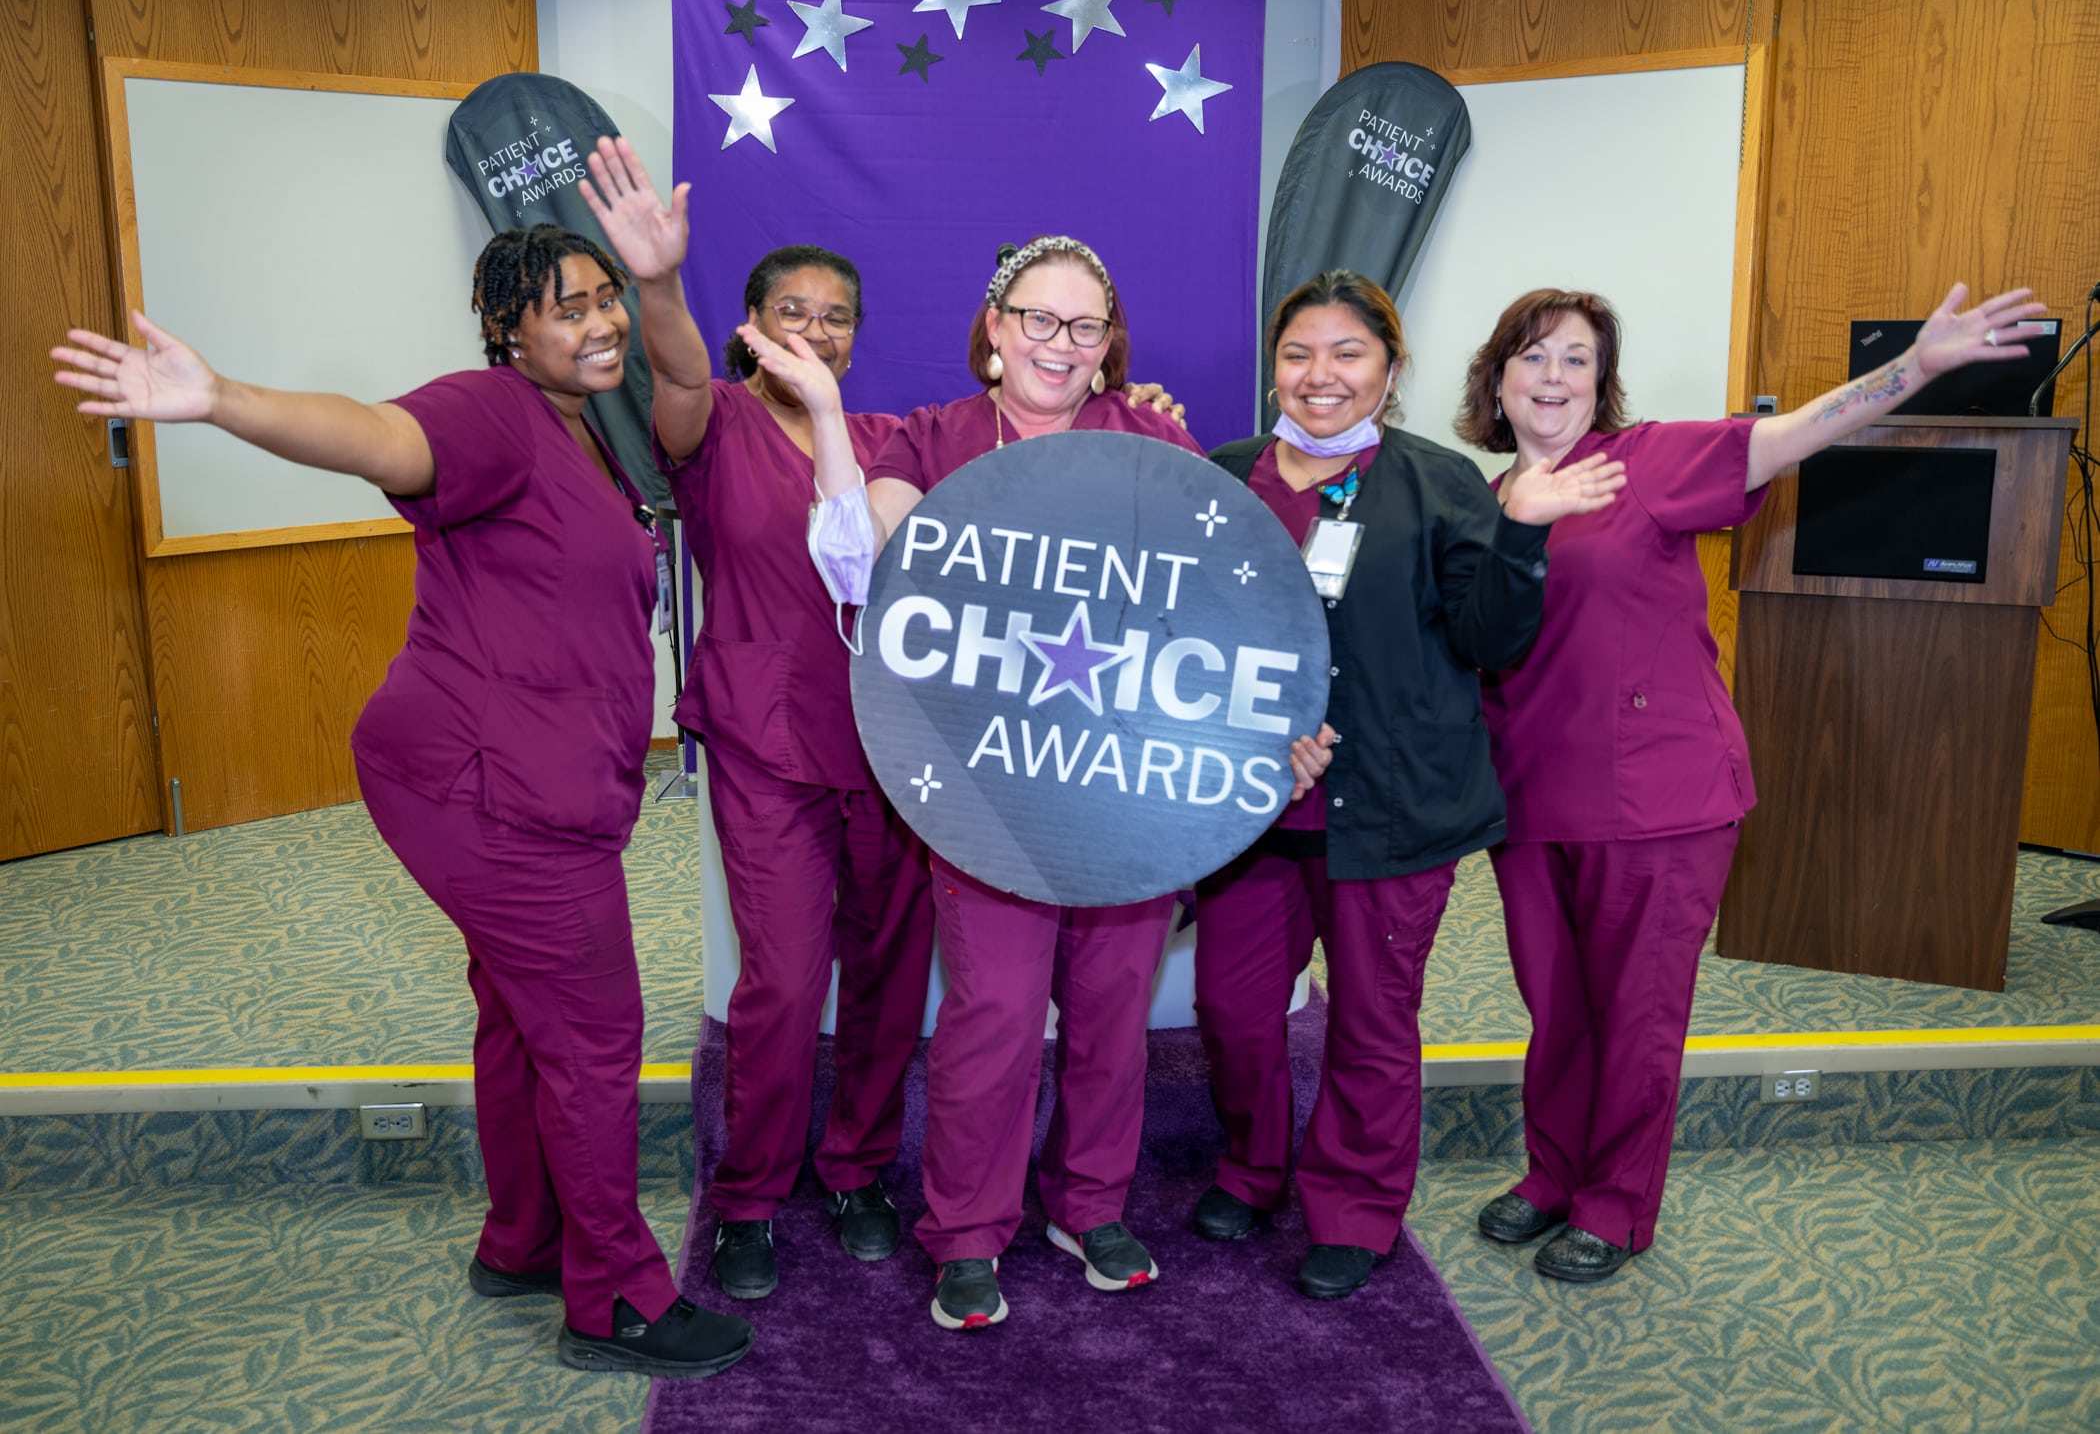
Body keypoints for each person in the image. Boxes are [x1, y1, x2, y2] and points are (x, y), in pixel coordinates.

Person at [50, 215, 756, 1380]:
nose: (598, 321)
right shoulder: (488, 413)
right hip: (490, 789)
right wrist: (223, 397)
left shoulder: (588, 430)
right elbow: (378, 436)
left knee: (520, 1012)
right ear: (507, 332)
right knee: (590, 1034)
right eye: (564, 306)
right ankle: (617, 1302)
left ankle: (523, 1240)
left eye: (603, 297)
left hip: (513, 773)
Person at [755, 233, 1320, 1332]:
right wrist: (842, 441)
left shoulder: (1152, 440)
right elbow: (865, 555)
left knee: (1111, 1012)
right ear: (996, 330)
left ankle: (1090, 1205)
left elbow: (1218, 590)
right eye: (1039, 320)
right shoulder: (934, 436)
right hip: (989, 786)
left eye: (1085, 327)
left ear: (1111, 348)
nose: (1060, 345)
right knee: (997, 1014)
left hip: (1128, 782)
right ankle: (967, 1230)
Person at [1458, 282, 2049, 1283]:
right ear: (1496, 379)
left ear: (1601, 386)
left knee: (1637, 1014)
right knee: (1557, 1009)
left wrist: (1921, 369)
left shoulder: (1645, 463)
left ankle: (1615, 1205)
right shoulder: (1480, 504)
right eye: (1531, 356)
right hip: (1529, 800)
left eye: (1575, 360)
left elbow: (1800, 435)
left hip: (1659, 801)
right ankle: (1552, 1176)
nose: (1551, 377)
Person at [1191, 270, 1625, 1300]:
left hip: (1390, 807)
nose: (1320, 375)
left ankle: (1354, 1204)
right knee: (1233, 1010)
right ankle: (1254, 1169)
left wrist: (1523, 535)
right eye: (1299, 353)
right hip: (1246, 811)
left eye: (1349, 353)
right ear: (1273, 366)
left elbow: (1490, 640)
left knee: (1372, 1021)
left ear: (1391, 369)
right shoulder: (1219, 476)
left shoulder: (1442, 483)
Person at [574, 138, 937, 1302]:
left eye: (836, 319)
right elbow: (670, 372)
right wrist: (659, 284)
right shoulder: (715, 418)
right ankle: (749, 1195)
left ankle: (859, 1168)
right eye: (792, 310)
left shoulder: (888, 444)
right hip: (769, 745)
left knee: (890, 968)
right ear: (750, 323)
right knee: (781, 982)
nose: (816, 333)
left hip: (894, 749)